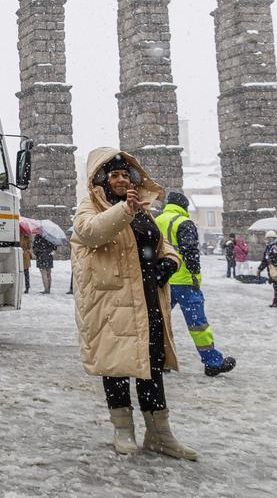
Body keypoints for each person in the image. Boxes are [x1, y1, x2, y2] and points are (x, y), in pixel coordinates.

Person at [72, 148, 196, 460]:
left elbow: (161, 243)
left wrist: (169, 261)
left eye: (126, 175)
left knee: (151, 365)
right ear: (100, 179)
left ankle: (159, 433)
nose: (120, 179)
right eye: (114, 175)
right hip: (111, 303)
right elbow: (90, 233)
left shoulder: (143, 211)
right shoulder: (89, 207)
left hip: (147, 298)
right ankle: (122, 428)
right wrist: (124, 210)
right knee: (116, 365)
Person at [156, 192, 236, 377]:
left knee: (159, 322)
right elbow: (190, 251)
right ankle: (212, 362)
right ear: (184, 207)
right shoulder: (183, 222)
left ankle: (159, 360)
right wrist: (195, 275)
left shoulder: (156, 220)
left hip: (162, 281)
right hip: (183, 282)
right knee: (198, 324)